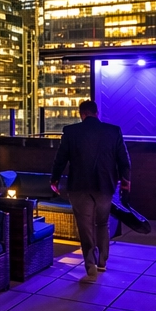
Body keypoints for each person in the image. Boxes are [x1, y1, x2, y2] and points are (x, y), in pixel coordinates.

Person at [50, 99, 131, 281]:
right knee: (102, 223)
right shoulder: (113, 131)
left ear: (82, 114)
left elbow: (60, 159)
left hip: (79, 187)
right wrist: (126, 180)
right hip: (105, 186)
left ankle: (90, 264)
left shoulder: (71, 132)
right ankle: (103, 261)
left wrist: (54, 179)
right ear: (97, 113)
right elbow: (124, 160)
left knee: (84, 226)